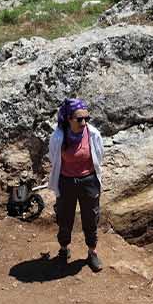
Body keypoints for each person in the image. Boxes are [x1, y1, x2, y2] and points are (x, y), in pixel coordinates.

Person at [48, 98, 104, 273]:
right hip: (66, 182)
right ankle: (64, 249)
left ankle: (92, 251)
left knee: (91, 216)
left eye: (86, 118)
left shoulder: (93, 133)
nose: (84, 122)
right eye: (79, 119)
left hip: (89, 181)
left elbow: (99, 155)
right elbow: (53, 157)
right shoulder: (58, 137)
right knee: (65, 217)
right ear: (68, 119)